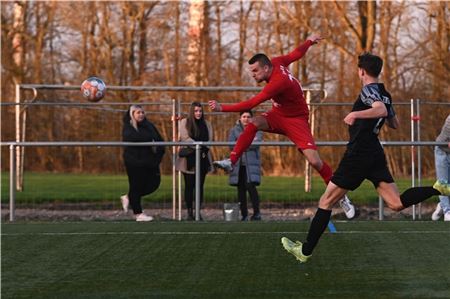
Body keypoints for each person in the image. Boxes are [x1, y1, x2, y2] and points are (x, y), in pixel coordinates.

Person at [280, 53, 450, 263]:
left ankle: (304, 251)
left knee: (326, 201)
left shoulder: (369, 90)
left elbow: (379, 109)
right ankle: (437, 188)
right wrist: (380, 111)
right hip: (374, 153)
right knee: (396, 203)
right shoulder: (385, 93)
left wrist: (355, 114)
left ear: (361, 71)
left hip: (358, 154)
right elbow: (394, 123)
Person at [209, 34, 355, 219]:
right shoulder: (277, 62)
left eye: (255, 71)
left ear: (266, 68)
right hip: (278, 115)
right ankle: (232, 161)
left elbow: (250, 105)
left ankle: (342, 196)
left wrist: (222, 108)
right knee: (254, 123)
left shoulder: (278, 82)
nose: (252, 74)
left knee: (315, 161)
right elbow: (296, 54)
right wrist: (309, 41)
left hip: (297, 120)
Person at [121, 105, 165, 222]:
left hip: (149, 161)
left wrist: (157, 157)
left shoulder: (149, 125)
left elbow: (159, 140)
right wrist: (148, 139)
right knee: (136, 186)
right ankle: (138, 213)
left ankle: (129, 198)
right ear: (132, 115)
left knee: (153, 184)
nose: (141, 115)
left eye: (142, 112)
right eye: (138, 113)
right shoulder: (128, 127)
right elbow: (132, 138)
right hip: (134, 161)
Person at [221, 110, 263, 221]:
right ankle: (244, 215)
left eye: (248, 116)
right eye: (244, 116)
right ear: (240, 118)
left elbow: (256, 144)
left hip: (251, 165)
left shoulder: (257, 130)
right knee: (240, 190)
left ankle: (256, 213)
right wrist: (246, 143)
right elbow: (231, 145)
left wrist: (240, 144)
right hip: (238, 165)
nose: (246, 119)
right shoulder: (234, 130)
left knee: (251, 188)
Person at [175, 102, 213, 220]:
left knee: (200, 186)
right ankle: (190, 212)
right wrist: (197, 145)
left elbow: (210, 139)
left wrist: (203, 146)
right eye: (196, 111)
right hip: (189, 159)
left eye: (200, 111)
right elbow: (185, 138)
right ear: (192, 111)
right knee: (189, 186)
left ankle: (198, 211)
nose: (198, 113)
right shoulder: (184, 122)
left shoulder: (207, 124)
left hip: (202, 157)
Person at [431, 114, 450, 221]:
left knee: (449, 185)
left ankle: (442, 205)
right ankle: (447, 211)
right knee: (443, 183)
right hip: (442, 150)